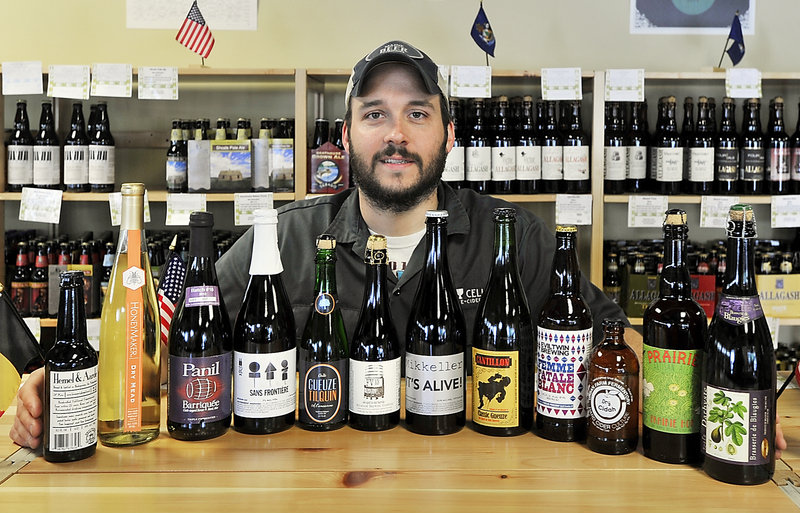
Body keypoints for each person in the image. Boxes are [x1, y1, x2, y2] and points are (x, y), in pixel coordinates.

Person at [8, 40, 787, 457]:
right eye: (374, 115)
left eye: (417, 113)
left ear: (449, 134)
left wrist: (721, 390)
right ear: (345, 136)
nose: (396, 135)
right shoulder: (287, 236)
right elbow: (170, 339)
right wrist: (70, 391)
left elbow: (615, 336)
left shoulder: (512, 235)